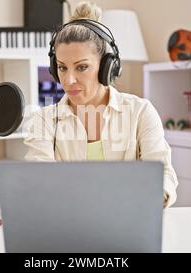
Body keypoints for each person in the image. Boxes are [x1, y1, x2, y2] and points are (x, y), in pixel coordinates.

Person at [23, 2, 178, 207]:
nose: (68, 80)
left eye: (82, 67)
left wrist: (156, 194)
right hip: (68, 223)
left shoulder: (140, 112)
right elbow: (39, 180)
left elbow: (163, 173)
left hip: (127, 219)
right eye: (62, 67)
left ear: (107, 66)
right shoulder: (43, 120)